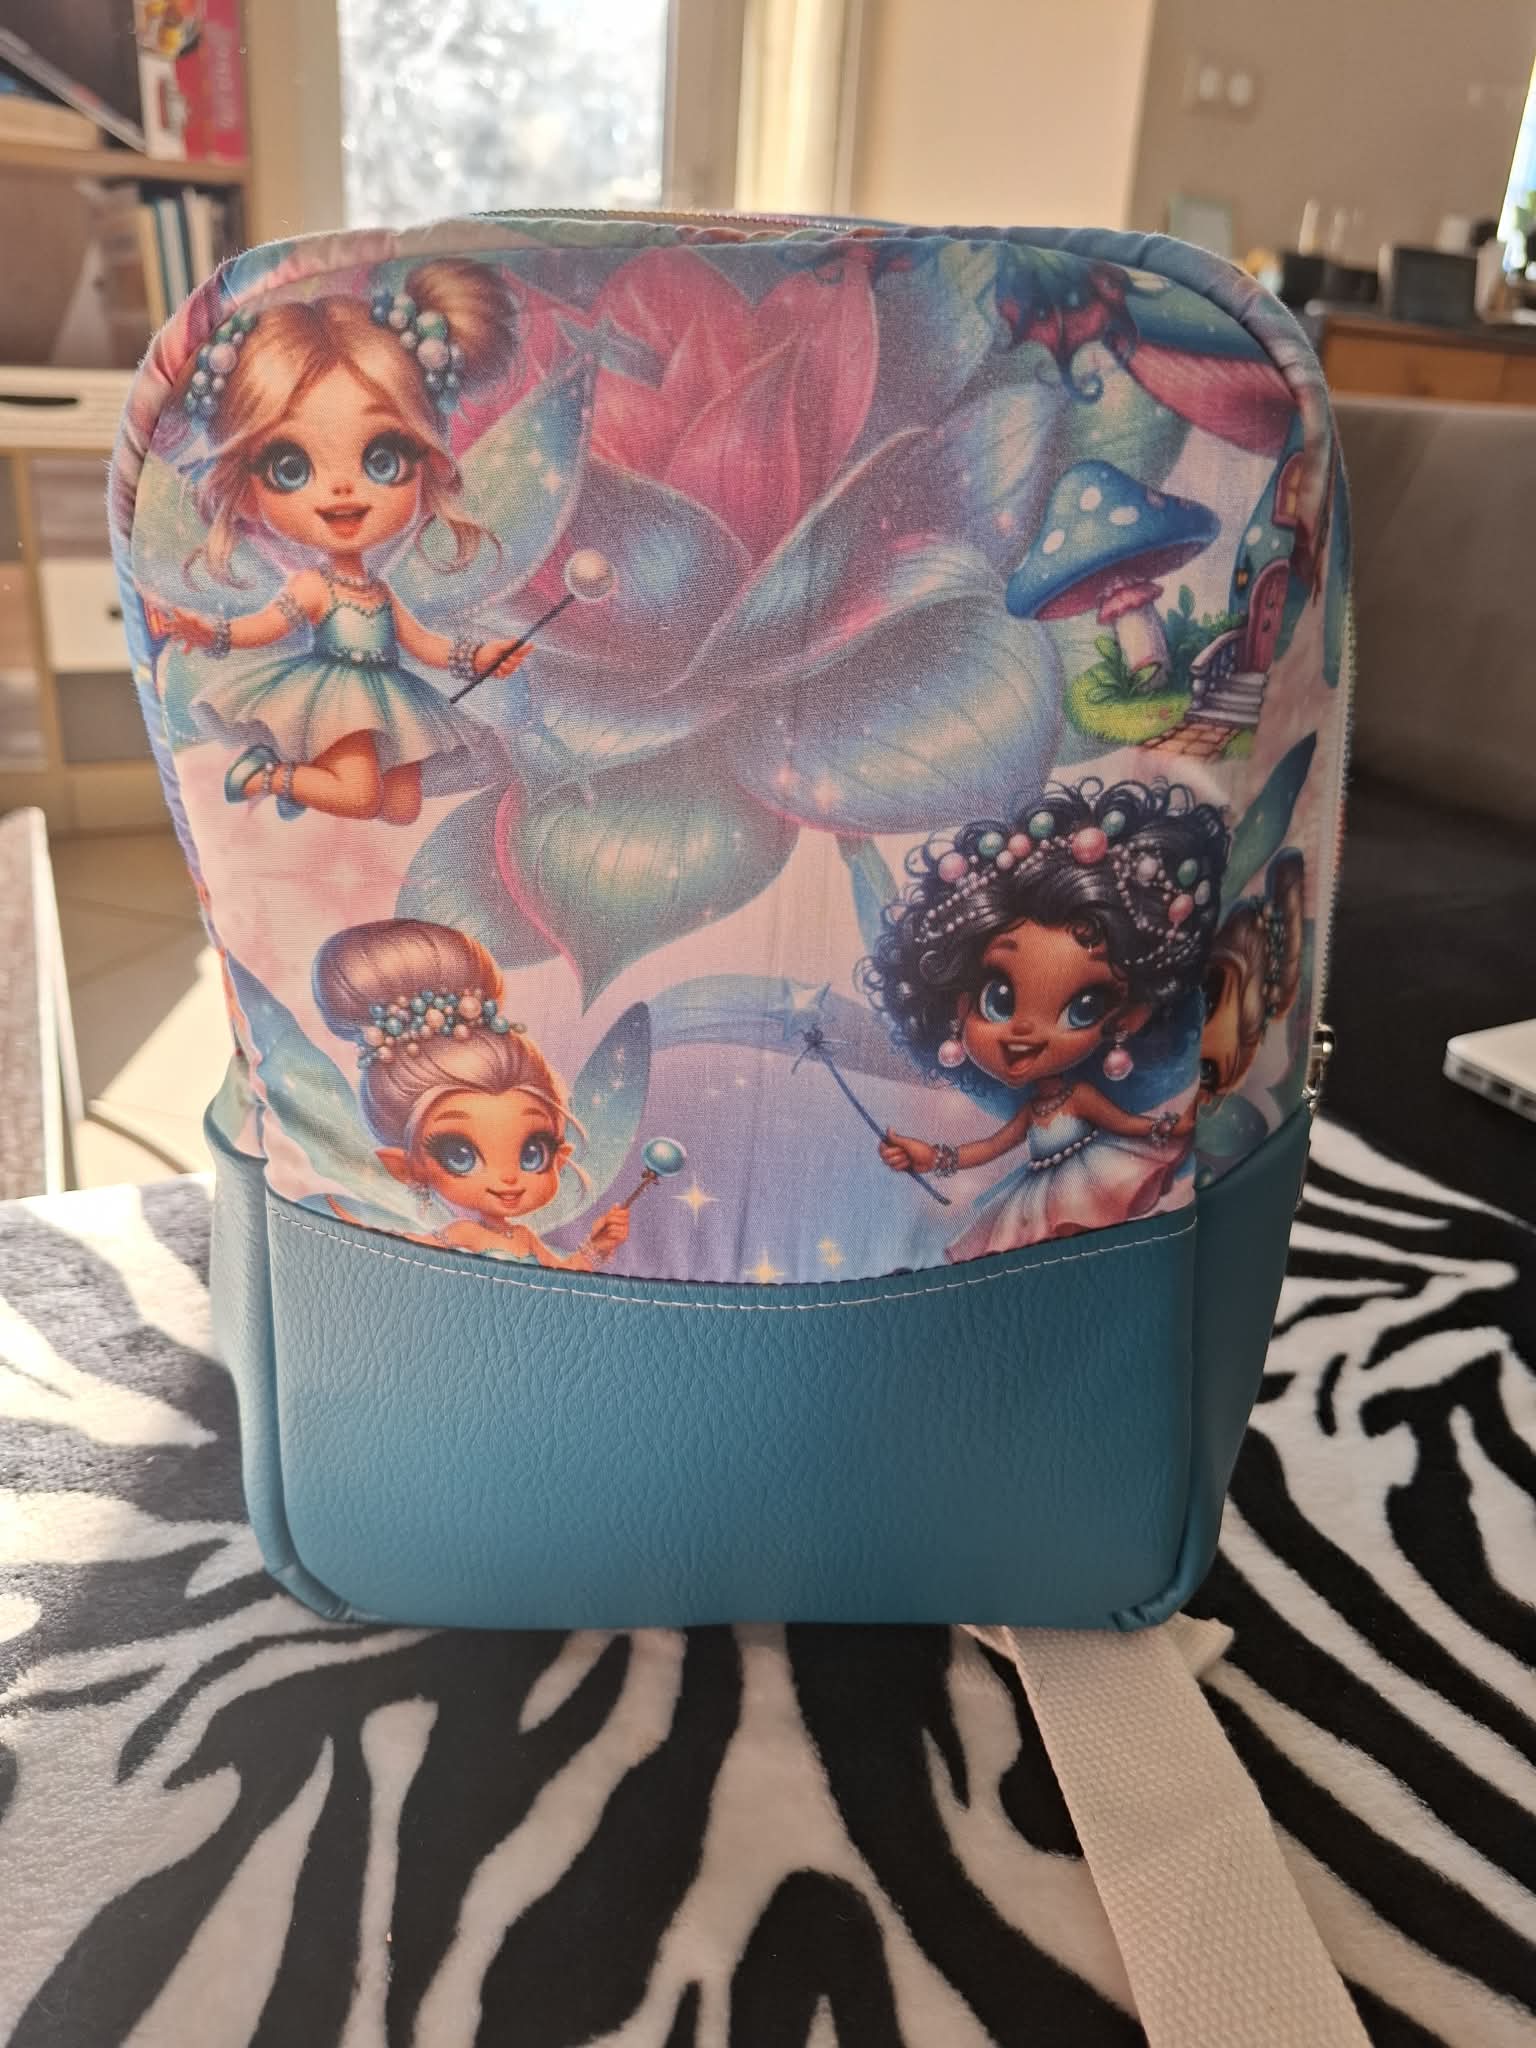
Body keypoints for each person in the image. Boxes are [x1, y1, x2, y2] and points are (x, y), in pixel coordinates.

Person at [143, 260, 527, 825]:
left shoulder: (380, 592)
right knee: (360, 796)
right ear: (246, 490)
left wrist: (478, 657)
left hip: (389, 696)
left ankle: (303, 782)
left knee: (401, 808)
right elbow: (265, 627)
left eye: (383, 458)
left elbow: (422, 644)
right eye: (290, 467)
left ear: (425, 464)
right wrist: (213, 633)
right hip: (335, 698)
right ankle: (268, 775)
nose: (343, 488)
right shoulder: (314, 588)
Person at [861, 779, 1229, 1257]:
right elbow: (991, 1148)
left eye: (1083, 1008)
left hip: (1095, 1180)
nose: (1024, 1032)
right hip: (1038, 1191)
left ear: (1128, 1019)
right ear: (956, 1003)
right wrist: (929, 1156)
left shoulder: (1081, 1097)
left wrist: (1175, 1127)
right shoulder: (1031, 1111)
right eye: (998, 998)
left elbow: (1127, 1124)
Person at [313, 917, 629, 1268]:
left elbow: (563, 1278)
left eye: (533, 1154)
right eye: (460, 1156)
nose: (508, 1178)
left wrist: (595, 1246)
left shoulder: (524, 1238)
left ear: (560, 1156)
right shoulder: (463, 1234)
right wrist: (357, 1233)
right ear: (406, 1168)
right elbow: (412, 1251)